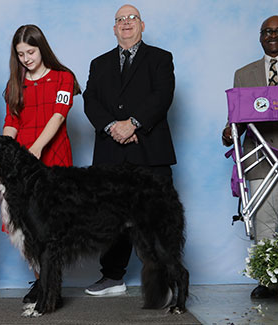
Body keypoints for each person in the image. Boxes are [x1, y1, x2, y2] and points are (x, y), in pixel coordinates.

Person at [83, 4, 176, 296]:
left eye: (131, 18)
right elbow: (90, 100)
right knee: (110, 218)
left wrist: (133, 123)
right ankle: (112, 277)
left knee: (157, 219)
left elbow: (162, 96)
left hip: (150, 153)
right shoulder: (99, 63)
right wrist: (113, 126)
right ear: (114, 28)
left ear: (142, 25)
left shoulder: (161, 58)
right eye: (120, 20)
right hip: (111, 154)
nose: (126, 23)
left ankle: (164, 280)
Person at [222, 15, 278, 299]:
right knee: (264, 221)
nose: (273, 36)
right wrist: (228, 131)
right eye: (268, 32)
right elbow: (237, 118)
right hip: (259, 158)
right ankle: (267, 282)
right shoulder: (243, 74)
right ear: (260, 36)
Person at [3, 24, 81, 303]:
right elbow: (11, 122)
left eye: (30, 51)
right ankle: (40, 280)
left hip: (53, 157)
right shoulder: (15, 84)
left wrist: (36, 147)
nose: (26, 58)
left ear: (41, 48)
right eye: (20, 53)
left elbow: (59, 115)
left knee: (51, 224)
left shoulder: (64, 78)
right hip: (23, 162)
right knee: (27, 224)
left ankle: (50, 282)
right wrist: (5, 153)